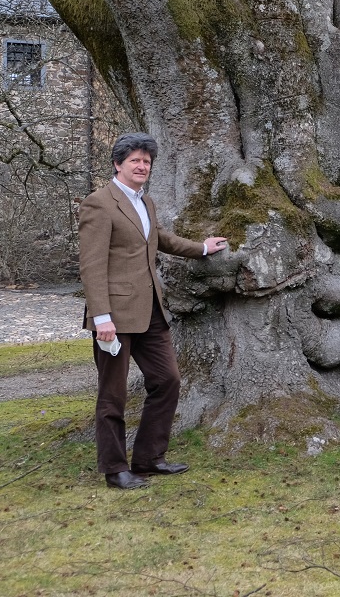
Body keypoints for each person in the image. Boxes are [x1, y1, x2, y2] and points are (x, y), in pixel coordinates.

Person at [79, 132, 228, 489]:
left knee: (167, 380)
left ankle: (148, 458)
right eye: (135, 160)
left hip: (151, 312)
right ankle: (115, 469)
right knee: (112, 394)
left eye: (147, 161)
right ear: (118, 164)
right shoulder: (99, 203)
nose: (142, 166)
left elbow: (161, 238)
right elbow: (91, 264)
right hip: (113, 317)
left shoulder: (146, 202)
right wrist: (102, 317)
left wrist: (202, 248)